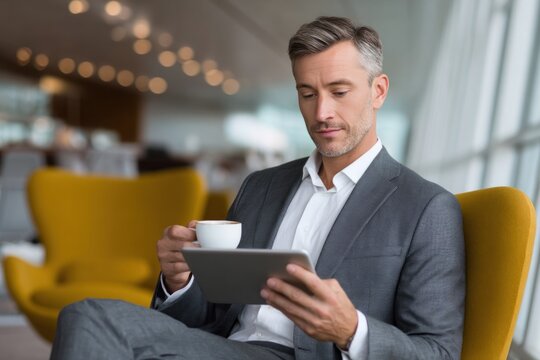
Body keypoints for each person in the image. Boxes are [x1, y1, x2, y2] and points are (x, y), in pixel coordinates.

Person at [51, 16, 465, 360]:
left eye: (339, 92)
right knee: (86, 318)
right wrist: (181, 281)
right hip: (226, 348)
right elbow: (210, 316)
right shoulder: (263, 186)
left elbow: (439, 352)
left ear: (378, 91)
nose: (322, 112)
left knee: (94, 322)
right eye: (307, 94)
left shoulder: (426, 207)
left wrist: (352, 330)